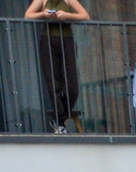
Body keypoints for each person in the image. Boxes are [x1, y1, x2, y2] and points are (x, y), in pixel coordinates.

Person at [24, 0, 89, 133]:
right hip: (47, 41)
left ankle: (60, 118)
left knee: (72, 87)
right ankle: (59, 121)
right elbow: (28, 15)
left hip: (67, 40)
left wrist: (67, 15)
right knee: (53, 84)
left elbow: (85, 15)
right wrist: (43, 14)